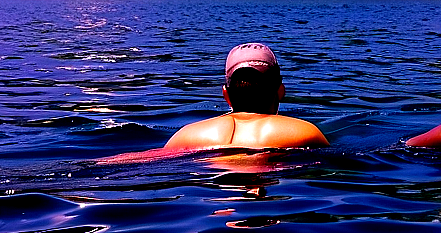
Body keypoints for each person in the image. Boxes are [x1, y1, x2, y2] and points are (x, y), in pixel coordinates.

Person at [99, 43, 328, 163]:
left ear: (225, 94)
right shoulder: (302, 133)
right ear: (281, 90)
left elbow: (144, 160)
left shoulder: (188, 136)